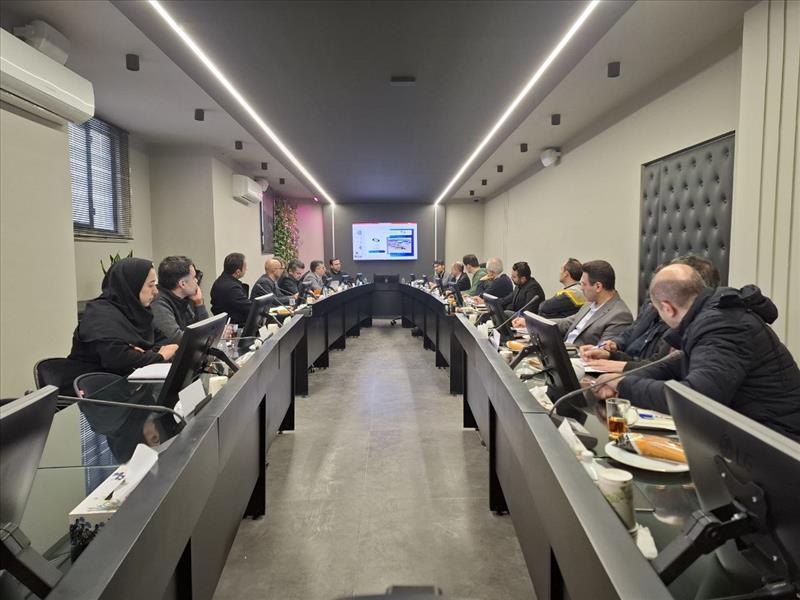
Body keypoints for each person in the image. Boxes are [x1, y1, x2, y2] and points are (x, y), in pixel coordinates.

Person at [594, 264, 800, 441]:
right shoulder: (713, 316)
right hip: (752, 430)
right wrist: (620, 379)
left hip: (776, 442)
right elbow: (675, 365)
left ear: (668, 308)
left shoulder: (722, 326)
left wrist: (623, 385)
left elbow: (695, 399)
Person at [580, 255, 720, 373]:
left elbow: (661, 369)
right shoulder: (651, 306)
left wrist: (620, 369)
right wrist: (612, 351)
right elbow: (631, 332)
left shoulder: (694, 329)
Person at [69, 257, 178, 375]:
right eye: (150, 285)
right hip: (94, 381)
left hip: (129, 379)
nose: (156, 291)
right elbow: (117, 359)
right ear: (132, 285)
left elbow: (164, 342)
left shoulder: (138, 311)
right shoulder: (99, 315)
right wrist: (159, 356)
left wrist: (143, 355)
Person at [517, 260, 632, 346]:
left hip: (579, 362)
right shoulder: (590, 304)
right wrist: (531, 323)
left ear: (598, 286)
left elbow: (602, 353)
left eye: (584, 284)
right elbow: (567, 323)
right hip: (564, 352)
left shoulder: (619, 315)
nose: (581, 288)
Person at [151, 256, 209, 344]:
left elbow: (201, 329)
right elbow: (177, 340)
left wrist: (199, 303)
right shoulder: (158, 303)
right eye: (194, 277)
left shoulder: (182, 298)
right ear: (182, 284)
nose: (196, 280)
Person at [210, 252, 252, 325]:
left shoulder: (220, 281)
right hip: (234, 326)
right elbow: (249, 308)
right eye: (245, 268)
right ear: (238, 272)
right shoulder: (232, 288)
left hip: (224, 324)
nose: (246, 269)